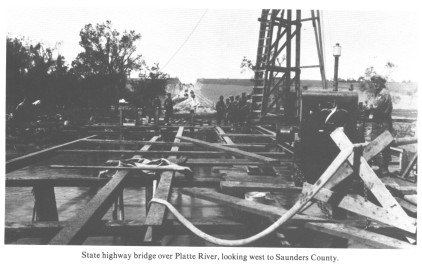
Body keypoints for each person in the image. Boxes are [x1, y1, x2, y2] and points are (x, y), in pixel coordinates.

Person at [368, 75, 393, 176]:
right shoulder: (378, 93)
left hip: (382, 123)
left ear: (382, 83)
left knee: (380, 144)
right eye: (373, 82)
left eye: (377, 82)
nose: (375, 84)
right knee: (380, 144)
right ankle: (382, 168)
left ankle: (383, 169)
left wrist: (368, 107)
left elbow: (375, 106)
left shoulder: (383, 93)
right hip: (379, 122)